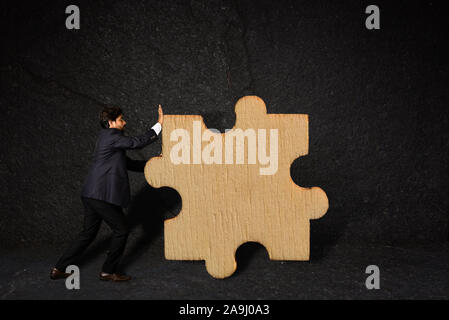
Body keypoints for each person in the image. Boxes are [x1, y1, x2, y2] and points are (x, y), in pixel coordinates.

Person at [50, 104, 163, 282]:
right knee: (122, 229)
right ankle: (108, 271)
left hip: (92, 194)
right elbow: (136, 142)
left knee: (87, 233)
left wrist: (155, 163)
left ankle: (58, 269)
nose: (124, 122)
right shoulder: (112, 136)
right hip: (100, 196)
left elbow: (128, 164)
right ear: (111, 123)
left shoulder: (107, 139)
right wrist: (159, 125)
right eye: (121, 120)